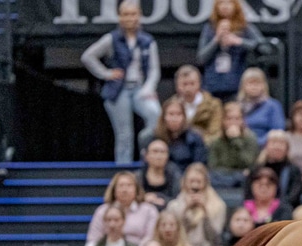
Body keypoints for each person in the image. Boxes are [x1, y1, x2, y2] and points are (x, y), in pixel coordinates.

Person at [81, 0, 162, 163]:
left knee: (156, 115)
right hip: (119, 90)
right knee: (124, 134)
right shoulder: (112, 39)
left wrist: (149, 88)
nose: (129, 18)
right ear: (119, 17)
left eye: (133, 14)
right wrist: (105, 73)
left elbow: (154, 69)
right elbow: (87, 57)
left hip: (140, 88)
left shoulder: (147, 40)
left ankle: (149, 161)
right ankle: (123, 168)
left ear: (139, 16)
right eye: (125, 14)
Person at [197, 0, 265, 101]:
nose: (225, 6)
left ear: (235, 5)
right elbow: (201, 58)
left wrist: (239, 41)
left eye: (229, 2)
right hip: (212, 87)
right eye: (221, 3)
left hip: (237, 87)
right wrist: (216, 40)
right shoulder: (209, 28)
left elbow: (264, 47)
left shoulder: (245, 27)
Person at [166, 163, 226, 246]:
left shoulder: (218, 205)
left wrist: (205, 212)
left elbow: (215, 239)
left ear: (205, 183)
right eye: (191, 181)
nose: (195, 186)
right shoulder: (173, 206)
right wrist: (185, 209)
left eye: (198, 181)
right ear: (185, 182)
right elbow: (173, 235)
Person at [86, 171, 158, 246]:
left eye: (129, 185)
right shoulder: (102, 211)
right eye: (121, 185)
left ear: (136, 189)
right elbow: (93, 239)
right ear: (114, 190)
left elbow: (150, 238)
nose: (124, 190)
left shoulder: (149, 210)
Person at [153, 97, 208, 171]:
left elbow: (199, 166)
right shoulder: (154, 138)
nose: (174, 118)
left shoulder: (195, 138)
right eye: (171, 114)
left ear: (184, 117)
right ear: (163, 117)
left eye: (179, 114)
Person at [172, 65, 223, 140]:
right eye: (184, 84)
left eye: (192, 84)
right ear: (177, 86)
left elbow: (215, 133)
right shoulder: (171, 105)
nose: (188, 88)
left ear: (199, 84)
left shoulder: (213, 105)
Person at [256, 130, 302, 208]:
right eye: (273, 143)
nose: (277, 147)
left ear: (287, 149)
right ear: (266, 146)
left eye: (281, 143)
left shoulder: (294, 170)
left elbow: (294, 195)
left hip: (285, 211)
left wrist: (277, 207)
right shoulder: (257, 170)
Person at [208, 102, 259, 175]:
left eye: (237, 119)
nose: (233, 122)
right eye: (229, 119)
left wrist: (236, 140)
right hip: (222, 179)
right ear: (223, 121)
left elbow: (248, 163)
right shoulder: (216, 140)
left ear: (242, 121)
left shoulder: (250, 138)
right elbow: (213, 166)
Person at [238, 68, 284, 147]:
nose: (254, 87)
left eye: (257, 83)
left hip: (265, 147)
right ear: (243, 86)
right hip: (241, 146)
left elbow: (277, 131)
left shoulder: (273, 106)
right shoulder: (237, 106)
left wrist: (257, 143)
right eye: (250, 83)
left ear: (264, 85)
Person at [136, 140, 180, 211]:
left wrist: (163, 200)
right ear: (146, 156)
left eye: (162, 152)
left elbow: (178, 198)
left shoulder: (175, 175)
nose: (159, 156)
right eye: (155, 151)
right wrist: (143, 199)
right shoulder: (138, 177)